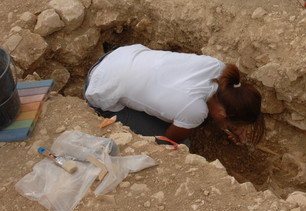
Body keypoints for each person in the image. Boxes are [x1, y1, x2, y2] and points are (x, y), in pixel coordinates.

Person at [84, 44, 262, 146]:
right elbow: (168, 141)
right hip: (100, 88)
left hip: (120, 55)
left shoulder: (219, 69)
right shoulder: (195, 110)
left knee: (192, 118)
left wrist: (233, 124)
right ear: (223, 115)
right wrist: (227, 124)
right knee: (182, 145)